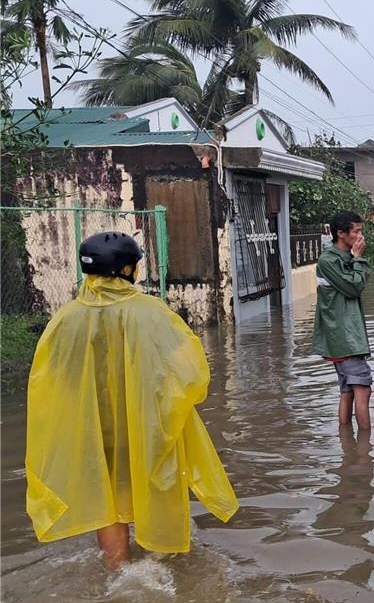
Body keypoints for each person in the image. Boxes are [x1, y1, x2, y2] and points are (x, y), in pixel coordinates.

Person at [26, 231, 238, 568]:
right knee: (157, 483)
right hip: (146, 423)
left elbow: (49, 377)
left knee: (106, 497)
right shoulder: (151, 312)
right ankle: (161, 562)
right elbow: (190, 372)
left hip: (93, 428)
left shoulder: (65, 318)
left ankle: (118, 568)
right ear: (128, 270)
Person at [314, 211, 373, 429]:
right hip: (344, 337)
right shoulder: (328, 261)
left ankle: (349, 447)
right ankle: (366, 452)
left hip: (346, 336)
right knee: (363, 389)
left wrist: (355, 259)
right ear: (341, 233)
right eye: (356, 231)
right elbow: (353, 287)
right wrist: (358, 259)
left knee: (348, 391)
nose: (360, 237)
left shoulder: (342, 258)